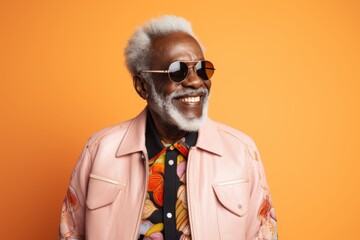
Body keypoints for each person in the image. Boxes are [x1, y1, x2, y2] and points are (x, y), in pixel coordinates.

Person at [59, 15, 278, 240]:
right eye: (177, 71)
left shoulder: (241, 151)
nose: (196, 82)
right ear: (143, 87)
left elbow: (264, 233)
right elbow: (70, 233)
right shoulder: (99, 150)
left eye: (202, 69)